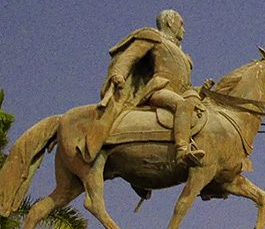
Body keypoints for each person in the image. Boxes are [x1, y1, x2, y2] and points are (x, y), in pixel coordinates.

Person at [81, 10, 206, 163]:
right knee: (182, 105)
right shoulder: (154, 38)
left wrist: (201, 90)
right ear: (170, 22)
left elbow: (185, 84)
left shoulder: (183, 56)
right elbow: (130, 57)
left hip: (182, 92)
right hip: (160, 89)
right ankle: (182, 150)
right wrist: (119, 74)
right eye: (181, 24)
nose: (184, 30)